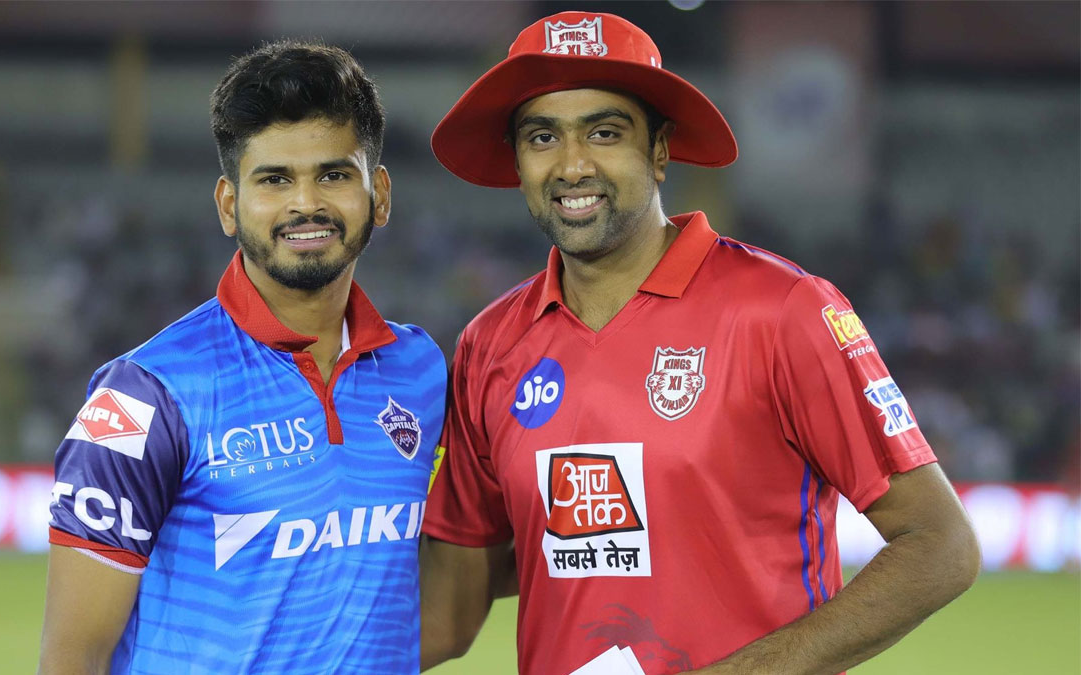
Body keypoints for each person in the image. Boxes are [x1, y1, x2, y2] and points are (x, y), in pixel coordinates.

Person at [419, 11, 979, 675]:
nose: (572, 164)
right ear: (518, 161)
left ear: (660, 151)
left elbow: (940, 543)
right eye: (543, 136)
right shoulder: (489, 345)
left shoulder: (782, 309)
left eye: (604, 132)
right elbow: (448, 610)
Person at [38, 41, 446, 675]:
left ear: (380, 195)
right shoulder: (143, 396)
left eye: (334, 175)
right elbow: (73, 658)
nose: (305, 203)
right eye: (274, 179)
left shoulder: (422, 372)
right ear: (229, 205)